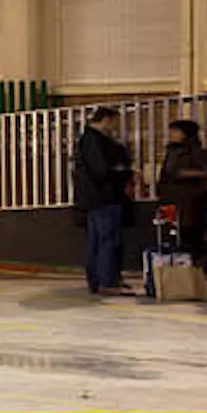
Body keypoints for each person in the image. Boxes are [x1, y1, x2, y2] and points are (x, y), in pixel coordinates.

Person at [70, 107, 136, 298]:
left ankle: (98, 280)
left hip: (94, 199)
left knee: (96, 241)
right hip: (105, 197)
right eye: (114, 122)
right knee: (108, 240)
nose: (115, 127)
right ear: (106, 120)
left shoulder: (89, 140)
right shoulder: (95, 141)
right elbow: (101, 171)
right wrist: (125, 172)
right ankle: (107, 281)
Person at [153, 119, 207, 262]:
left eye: (176, 131)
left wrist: (188, 173)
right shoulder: (172, 151)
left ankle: (194, 266)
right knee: (173, 234)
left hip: (192, 201)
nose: (172, 135)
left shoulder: (198, 152)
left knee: (192, 235)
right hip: (172, 199)